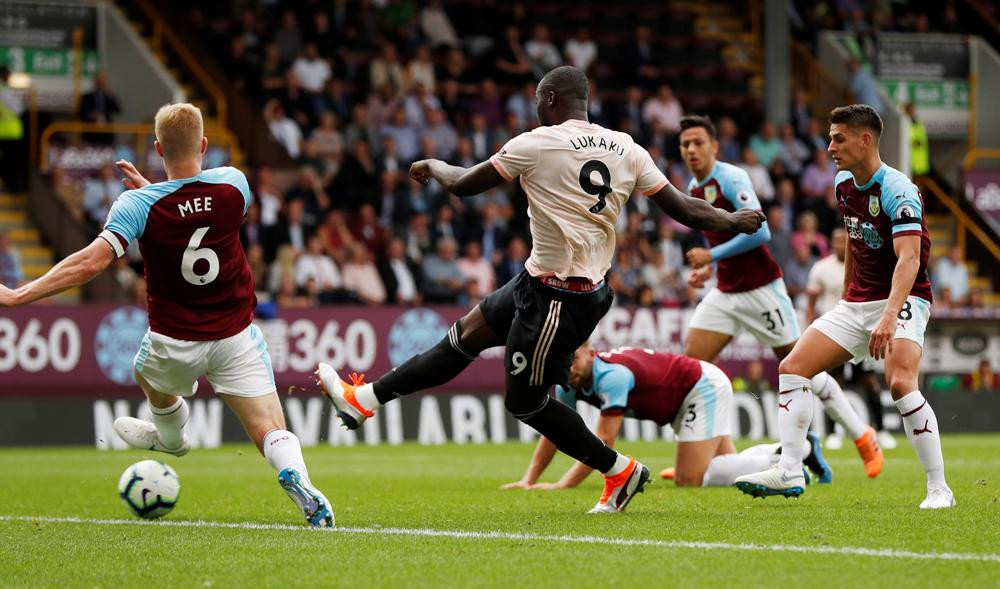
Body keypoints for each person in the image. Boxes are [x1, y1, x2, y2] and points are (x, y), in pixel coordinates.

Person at [315, 66, 765, 515]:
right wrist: (731, 221)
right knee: (462, 338)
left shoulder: (535, 143)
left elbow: (464, 184)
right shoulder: (627, 148)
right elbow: (682, 208)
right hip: (548, 282)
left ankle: (620, 471)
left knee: (525, 402)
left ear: (549, 99)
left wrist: (432, 165)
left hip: (559, 297)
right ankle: (364, 400)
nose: (535, 107)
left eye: (536, 100)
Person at [0, 103, 334, 527]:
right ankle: (296, 475)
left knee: (147, 378)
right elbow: (197, 209)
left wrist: (18, 295)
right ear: (205, 145)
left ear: (157, 148)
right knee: (269, 427)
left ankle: (173, 440)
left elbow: (90, 264)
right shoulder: (234, 184)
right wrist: (159, 195)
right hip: (235, 336)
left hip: (173, 340)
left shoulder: (137, 205)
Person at [735, 105, 954, 509]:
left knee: (901, 383)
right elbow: (854, 240)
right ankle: (789, 472)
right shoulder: (842, 184)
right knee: (792, 368)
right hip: (857, 303)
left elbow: (910, 260)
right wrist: (846, 298)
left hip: (903, 298)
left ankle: (939, 488)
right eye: (830, 137)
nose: (830, 146)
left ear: (865, 140)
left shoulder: (898, 189)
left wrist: (889, 315)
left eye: (839, 138)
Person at [677, 115, 882, 482]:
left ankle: (862, 434)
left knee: (803, 366)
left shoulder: (732, 178)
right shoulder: (694, 187)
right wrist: (709, 267)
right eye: (684, 144)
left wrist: (712, 257)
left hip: (761, 290)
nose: (690, 150)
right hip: (725, 292)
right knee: (689, 371)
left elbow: (761, 232)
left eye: (697, 142)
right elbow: (718, 241)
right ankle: (714, 461)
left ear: (714, 146)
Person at [503, 343, 832, 490]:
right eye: (563, 361)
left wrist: (563, 485)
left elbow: (603, 442)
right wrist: (529, 479)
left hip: (700, 387)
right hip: (688, 395)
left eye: (573, 358)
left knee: (690, 479)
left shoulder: (611, 376)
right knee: (726, 467)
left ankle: (794, 452)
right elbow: (555, 431)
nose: (568, 367)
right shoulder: (571, 381)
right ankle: (794, 449)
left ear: (590, 353)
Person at [807, 229, 897, 451]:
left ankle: (882, 430)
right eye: (836, 240)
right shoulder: (821, 268)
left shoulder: (863, 263)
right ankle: (832, 433)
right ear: (831, 243)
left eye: (842, 240)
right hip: (834, 331)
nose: (840, 244)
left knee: (870, 382)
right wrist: (809, 327)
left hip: (859, 330)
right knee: (834, 381)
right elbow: (811, 304)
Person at [79, 71, 122, 145]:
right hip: (90, 135)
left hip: (106, 135)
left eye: (103, 79)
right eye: (99, 78)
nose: (101, 81)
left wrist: (111, 95)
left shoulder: (108, 96)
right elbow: (80, 113)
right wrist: (91, 115)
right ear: (95, 80)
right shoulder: (87, 97)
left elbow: (118, 110)